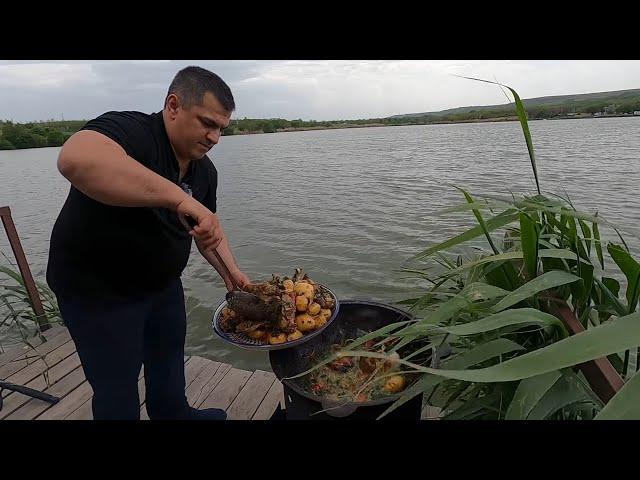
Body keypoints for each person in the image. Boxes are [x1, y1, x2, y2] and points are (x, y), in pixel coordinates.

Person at [46, 66, 250, 420]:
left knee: (169, 370)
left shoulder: (205, 172)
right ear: (173, 106)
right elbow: (74, 159)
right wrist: (178, 198)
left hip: (161, 287)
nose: (214, 137)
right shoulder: (134, 132)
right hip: (97, 293)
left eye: (221, 128)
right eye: (207, 123)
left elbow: (207, 232)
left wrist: (232, 274)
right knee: (118, 391)